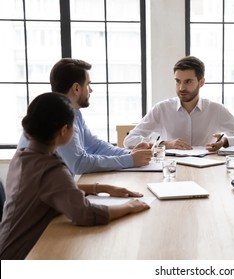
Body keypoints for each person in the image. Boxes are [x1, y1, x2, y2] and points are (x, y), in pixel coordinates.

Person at [0, 92, 150, 260]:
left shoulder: (24, 155)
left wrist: (101, 188)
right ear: (64, 130)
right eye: (74, 126)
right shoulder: (50, 168)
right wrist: (129, 206)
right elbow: (85, 214)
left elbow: (52, 188)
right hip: (20, 257)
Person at [17, 58, 152, 175]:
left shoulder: (74, 112)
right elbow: (79, 164)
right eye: (88, 84)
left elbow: (95, 146)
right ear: (76, 88)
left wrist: (129, 154)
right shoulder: (56, 117)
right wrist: (130, 160)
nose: (91, 90)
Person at [123, 55, 234, 151]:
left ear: (201, 82)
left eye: (188, 81)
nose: (181, 88)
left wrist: (225, 141)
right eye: (178, 81)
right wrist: (164, 143)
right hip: (171, 169)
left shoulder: (216, 110)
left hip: (208, 170)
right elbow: (129, 140)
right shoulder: (161, 109)